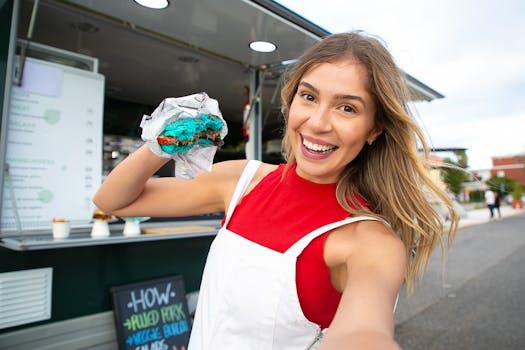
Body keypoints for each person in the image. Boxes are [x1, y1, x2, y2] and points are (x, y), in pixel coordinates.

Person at [94, 31, 458, 350]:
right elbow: (112, 200)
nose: (317, 123)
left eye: (347, 108)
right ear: (290, 102)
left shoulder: (370, 241)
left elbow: (364, 333)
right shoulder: (241, 179)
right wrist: (163, 142)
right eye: (309, 97)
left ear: (374, 129)